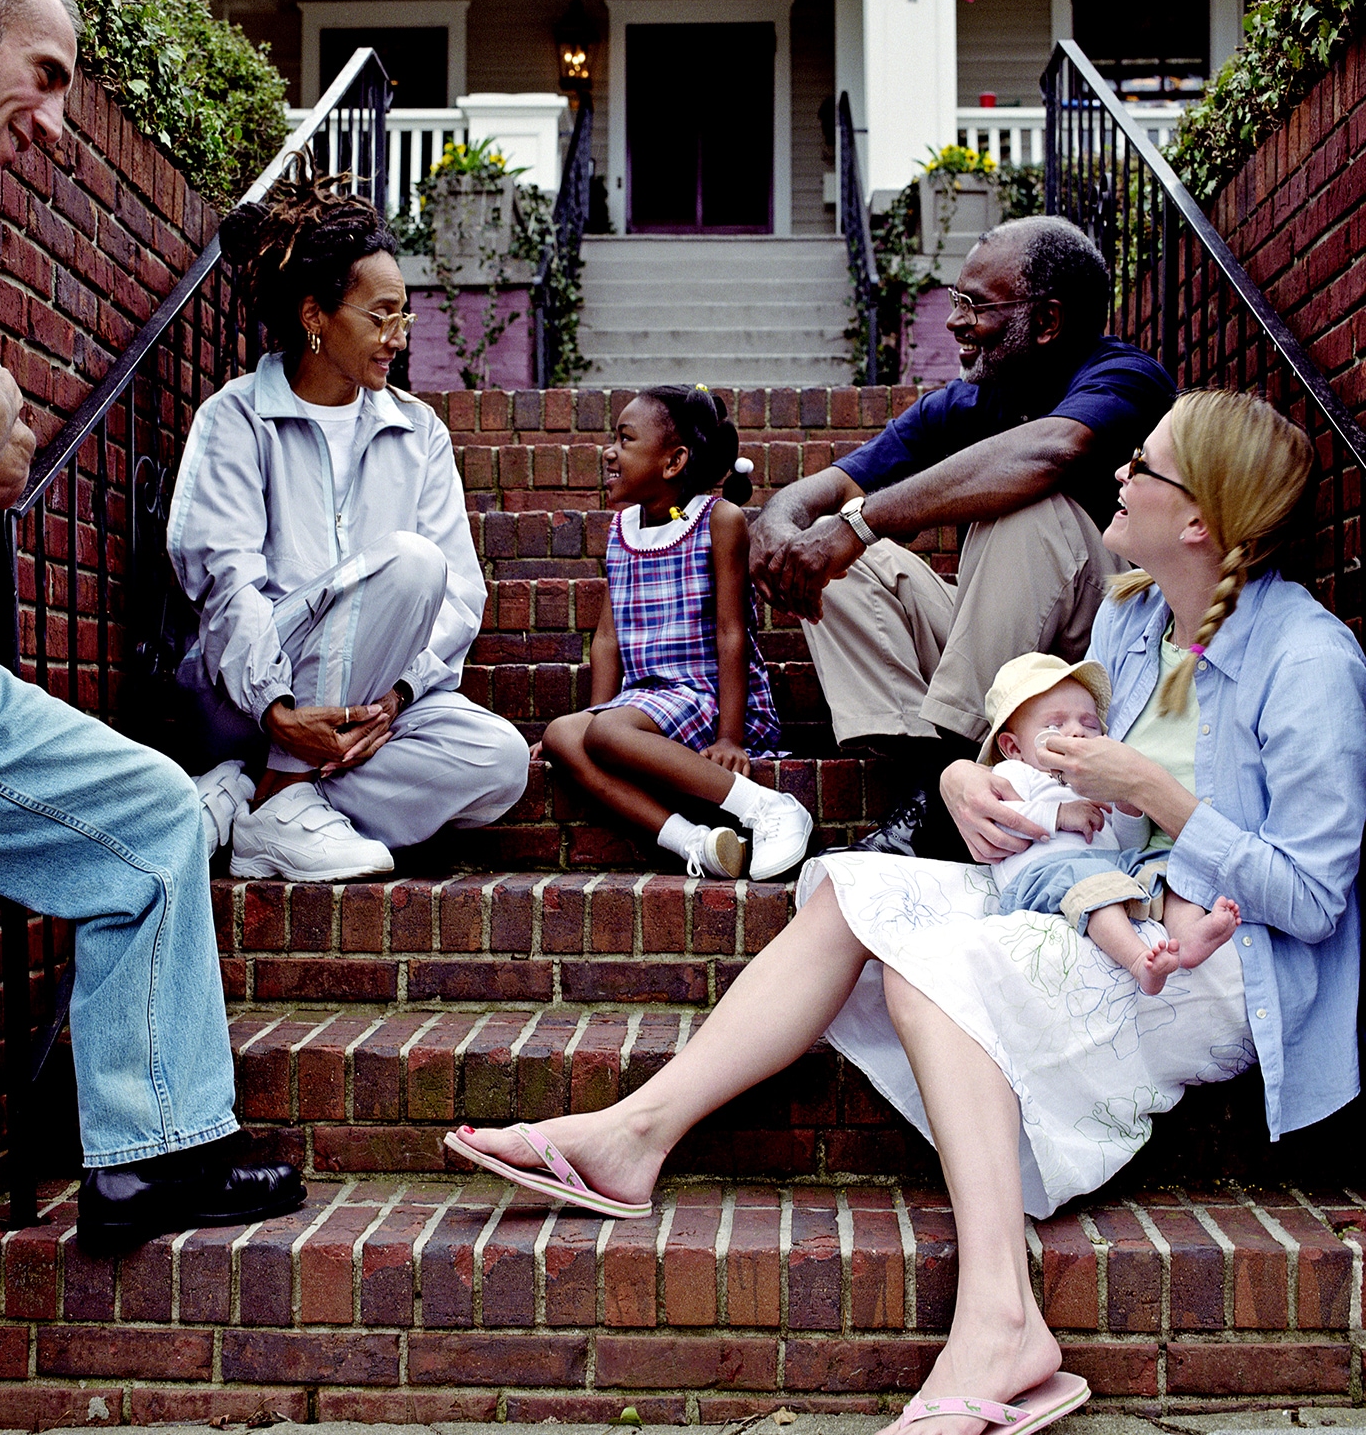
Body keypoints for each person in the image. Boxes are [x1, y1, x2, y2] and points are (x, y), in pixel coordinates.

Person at [447, 390, 1364, 1435]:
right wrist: (978, 785)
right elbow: (1079, 791)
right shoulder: (1134, 613)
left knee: (934, 972)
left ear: (1199, 518)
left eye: (1142, 467)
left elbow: (1313, 899)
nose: (1117, 475)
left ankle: (1002, 1322)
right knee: (853, 886)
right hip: (1095, 896)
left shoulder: (1311, 660)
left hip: (1216, 958)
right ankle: (633, 1135)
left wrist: (1158, 797)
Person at [0, 0, 303, 1423]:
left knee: (154, 823)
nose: (53, 124)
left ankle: (149, 1149)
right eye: (44, 82)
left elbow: (6, 454)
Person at [749, 215, 1176, 855]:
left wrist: (859, 522)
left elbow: (1054, 452)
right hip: (1004, 661)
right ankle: (938, 783)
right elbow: (831, 486)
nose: (953, 322)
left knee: (1032, 511)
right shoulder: (973, 400)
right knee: (847, 562)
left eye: (974, 306)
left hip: (1102, 654)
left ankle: (940, 813)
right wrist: (781, 525)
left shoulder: (1123, 376)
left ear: (1048, 321)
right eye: (955, 302)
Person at [166, 163, 529, 881]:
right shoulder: (237, 418)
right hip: (247, 697)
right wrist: (276, 711)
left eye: (405, 315)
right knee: (409, 560)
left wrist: (396, 698)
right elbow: (226, 584)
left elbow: (459, 596)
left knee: (500, 762)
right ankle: (281, 787)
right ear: (314, 317)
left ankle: (257, 794)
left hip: (366, 711)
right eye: (380, 314)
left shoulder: (417, 432)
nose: (398, 335)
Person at [540, 384, 811, 881]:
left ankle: (767, 809)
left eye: (625, 440)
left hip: (706, 695)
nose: (609, 451)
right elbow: (608, 639)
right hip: (646, 703)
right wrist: (595, 714)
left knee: (604, 732)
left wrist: (730, 736)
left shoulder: (717, 521)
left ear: (673, 462)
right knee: (563, 734)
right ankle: (697, 843)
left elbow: (733, 633)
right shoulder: (621, 530)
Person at [980, 652, 1241, 994]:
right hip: (1047, 873)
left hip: (1112, 866)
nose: (1076, 731)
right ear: (1013, 746)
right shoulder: (1015, 773)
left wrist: (1126, 807)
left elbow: (1127, 845)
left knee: (1166, 867)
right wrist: (1061, 815)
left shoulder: (1094, 778)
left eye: (1089, 723)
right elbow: (1005, 821)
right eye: (1054, 725)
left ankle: (1189, 934)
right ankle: (1137, 961)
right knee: (1092, 887)